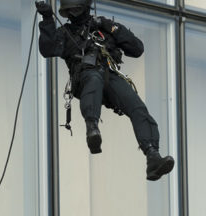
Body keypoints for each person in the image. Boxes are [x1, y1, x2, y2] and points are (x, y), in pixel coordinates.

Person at [35, 0, 174, 181]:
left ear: (85, 7)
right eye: (70, 11)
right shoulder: (65, 33)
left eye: (77, 9)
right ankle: (92, 128)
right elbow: (47, 48)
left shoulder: (104, 28)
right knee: (93, 78)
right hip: (84, 77)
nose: (74, 14)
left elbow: (137, 48)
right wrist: (46, 18)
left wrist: (110, 26)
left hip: (110, 76)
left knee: (137, 106)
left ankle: (152, 156)